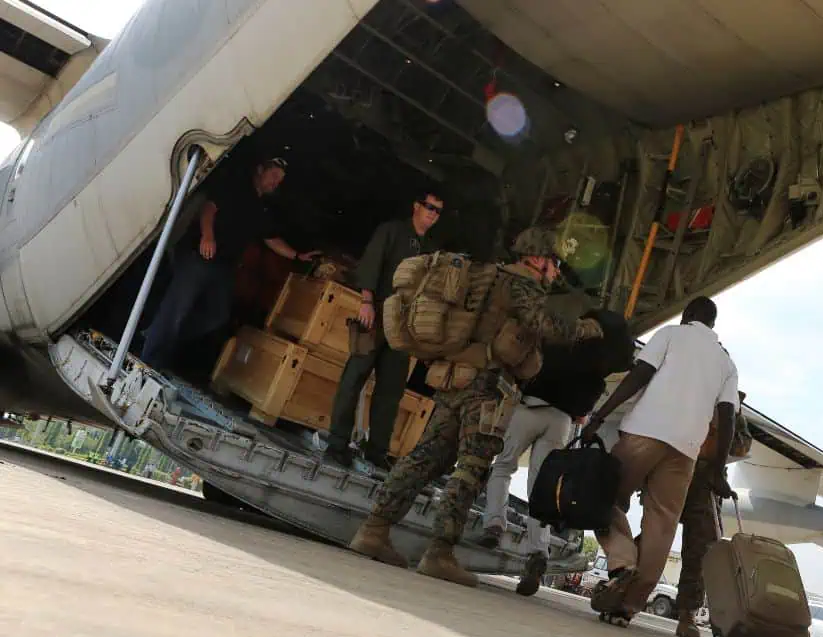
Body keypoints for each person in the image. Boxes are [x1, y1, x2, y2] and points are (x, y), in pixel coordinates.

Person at [344, 227, 602, 584]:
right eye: (555, 263)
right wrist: (586, 329)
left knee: (426, 455)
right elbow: (545, 325)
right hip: (487, 386)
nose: (556, 272)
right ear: (539, 259)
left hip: (457, 378)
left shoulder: (490, 277)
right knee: (473, 466)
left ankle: (373, 529)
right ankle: (440, 552)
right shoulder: (521, 283)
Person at [578, 296, 738, 624]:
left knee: (602, 494)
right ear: (712, 324)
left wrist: (600, 415)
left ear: (689, 315)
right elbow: (728, 416)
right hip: (685, 451)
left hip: (645, 432)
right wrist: (718, 470)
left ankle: (622, 563)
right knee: (661, 524)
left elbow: (640, 375)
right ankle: (628, 607)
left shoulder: (670, 335)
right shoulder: (726, 362)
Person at [477, 315, 621, 596]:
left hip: (529, 410)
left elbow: (527, 370)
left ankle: (494, 522)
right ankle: (537, 552)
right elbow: (583, 412)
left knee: (504, 466)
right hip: (561, 422)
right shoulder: (596, 370)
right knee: (541, 487)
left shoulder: (555, 346)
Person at [140, 157, 318, 370]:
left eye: (279, 181)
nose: (275, 183)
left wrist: (297, 256)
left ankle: (159, 335)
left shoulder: (260, 208)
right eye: (274, 176)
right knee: (176, 309)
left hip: (223, 267)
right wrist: (207, 236)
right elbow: (208, 208)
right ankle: (148, 361)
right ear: (260, 169)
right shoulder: (236, 188)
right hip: (200, 258)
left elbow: (271, 239)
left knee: (216, 315)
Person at [324, 192, 444, 471]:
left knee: (391, 389)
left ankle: (377, 450)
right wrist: (366, 302)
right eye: (429, 207)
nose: (433, 214)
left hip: (403, 326)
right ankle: (337, 442)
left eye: (438, 211)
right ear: (415, 206)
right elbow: (372, 265)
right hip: (377, 312)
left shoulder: (430, 248)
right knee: (354, 377)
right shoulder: (391, 231)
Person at [673, 392, 752, 637]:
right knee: (655, 534)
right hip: (676, 468)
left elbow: (742, 446)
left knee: (701, 550)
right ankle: (627, 588)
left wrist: (731, 419)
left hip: (705, 480)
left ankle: (687, 613)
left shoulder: (730, 408)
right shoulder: (687, 390)